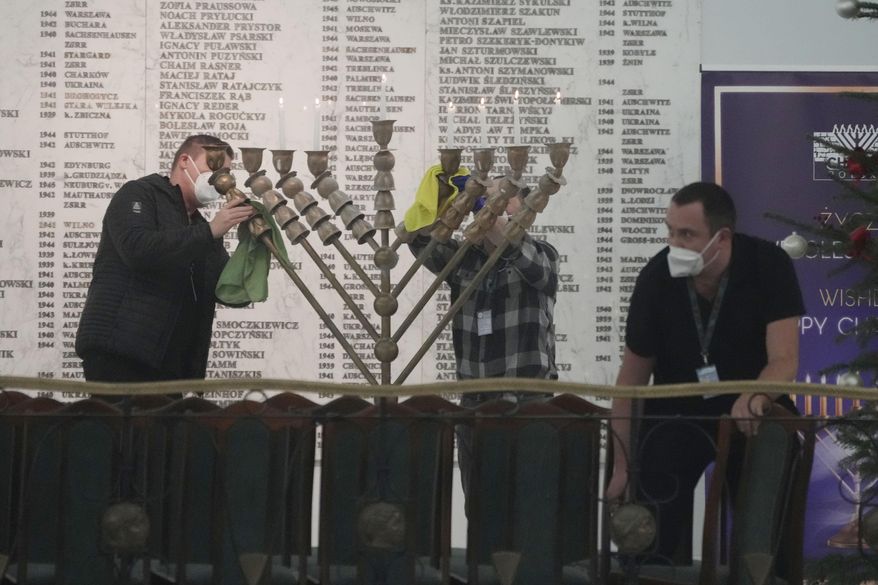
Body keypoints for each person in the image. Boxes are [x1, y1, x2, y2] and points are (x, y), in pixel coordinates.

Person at [606, 181, 804, 563]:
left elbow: (785, 360)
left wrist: (757, 396)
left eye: (687, 234)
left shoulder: (769, 265)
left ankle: (766, 570)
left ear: (722, 237)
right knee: (649, 534)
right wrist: (620, 466)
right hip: (676, 414)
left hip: (750, 414)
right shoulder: (655, 279)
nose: (674, 244)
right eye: (670, 232)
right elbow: (630, 382)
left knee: (765, 531)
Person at [407, 179, 560, 498]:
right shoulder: (463, 258)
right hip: (474, 406)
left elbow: (512, 242)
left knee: (531, 509)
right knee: (479, 509)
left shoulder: (542, 254)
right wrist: (443, 199)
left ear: (527, 206)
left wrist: (485, 209)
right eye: (489, 197)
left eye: (506, 196)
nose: (497, 203)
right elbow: (415, 237)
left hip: (528, 405)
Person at [76, 134, 255, 384]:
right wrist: (211, 231)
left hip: (170, 362)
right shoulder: (139, 193)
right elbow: (137, 250)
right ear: (185, 160)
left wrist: (254, 247)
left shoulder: (202, 228)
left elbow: (228, 291)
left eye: (226, 173)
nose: (220, 180)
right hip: (121, 352)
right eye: (214, 167)